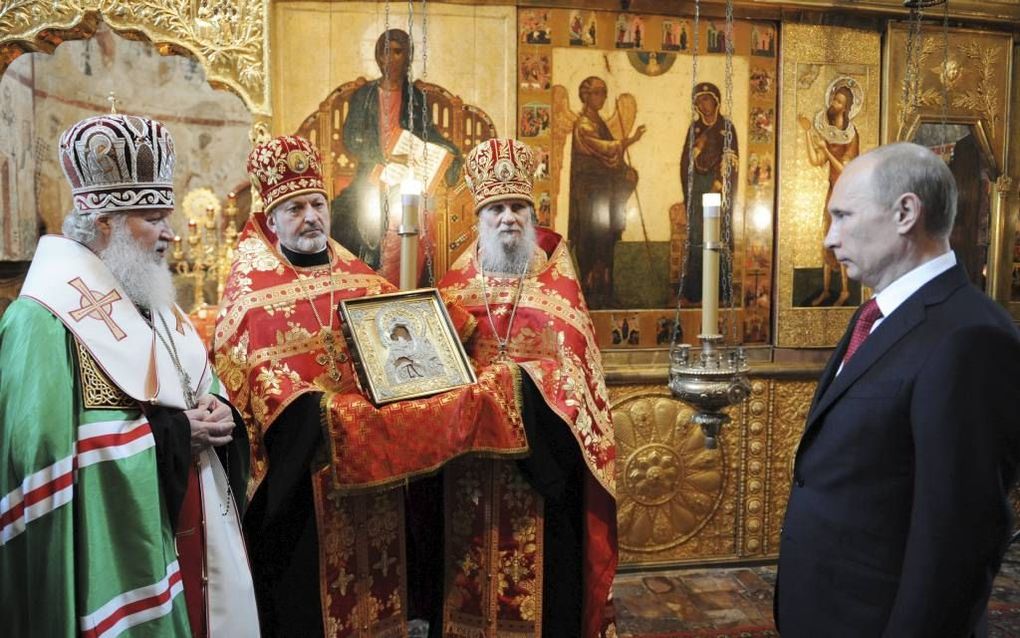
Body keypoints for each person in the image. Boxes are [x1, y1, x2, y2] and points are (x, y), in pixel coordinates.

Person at [215, 135, 527, 637]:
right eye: (294, 208)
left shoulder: (358, 279)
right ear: (270, 219)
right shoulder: (249, 296)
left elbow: (413, 335)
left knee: (379, 598)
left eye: (316, 204)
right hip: (303, 486)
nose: (310, 217)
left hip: (371, 485)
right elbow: (252, 390)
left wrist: (450, 329)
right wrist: (331, 416)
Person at [0, 114, 258, 637]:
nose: (171, 233)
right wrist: (178, 434)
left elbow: (192, 384)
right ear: (103, 225)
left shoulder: (150, 300)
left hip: (190, 526)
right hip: (114, 554)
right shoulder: (41, 319)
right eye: (153, 217)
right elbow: (37, 458)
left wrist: (218, 410)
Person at [775, 142, 1020, 637]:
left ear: (906, 212)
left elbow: (959, 540)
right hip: (830, 609)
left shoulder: (971, 336)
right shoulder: (879, 314)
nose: (829, 238)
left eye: (843, 216)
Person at [439, 138, 618, 637]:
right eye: (496, 208)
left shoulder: (559, 290)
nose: (508, 218)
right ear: (480, 218)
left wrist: (514, 388)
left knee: (548, 600)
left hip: (544, 478)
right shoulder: (452, 290)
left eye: (518, 207)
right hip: (471, 476)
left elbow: (579, 381)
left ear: (532, 214)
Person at [330, 28, 462, 281]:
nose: (390, 58)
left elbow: (427, 134)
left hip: (408, 176)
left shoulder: (416, 97)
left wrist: (447, 150)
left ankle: (414, 282)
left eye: (398, 52)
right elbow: (351, 138)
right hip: (372, 170)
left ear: (408, 56)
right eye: (385, 51)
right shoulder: (364, 96)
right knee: (350, 212)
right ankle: (365, 276)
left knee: (425, 214)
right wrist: (384, 157)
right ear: (378, 56)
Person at [568, 76, 645, 308]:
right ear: (585, 96)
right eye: (596, 93)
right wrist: (631, 140)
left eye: (603, 92)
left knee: (607, 237)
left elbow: (612, 159)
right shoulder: (584, 125)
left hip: (604, 192)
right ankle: (591, 292)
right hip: (590, 194)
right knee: (593, 237)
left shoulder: (598, 121)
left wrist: (625, 171)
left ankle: (607, 290)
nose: (601, 97)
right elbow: (605, 149)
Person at [798, 77, 861, 306]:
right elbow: (816, 160)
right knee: (827, 238)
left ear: (846, 107)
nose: (834, 104)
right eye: (834, 99)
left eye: (839, 101)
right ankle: (825, 289)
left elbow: (845, 169)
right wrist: (807, 133)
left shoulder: (852, 136)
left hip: (845, 195)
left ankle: (844, 291)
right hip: (831, 192)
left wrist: (827, 150)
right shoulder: (831, 134)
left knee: (841, 239)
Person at [679, 81, 739, 303]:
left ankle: (721, 289)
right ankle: (695, 289)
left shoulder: (726, 127)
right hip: (698, 191)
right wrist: (696, 150)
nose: (704, 105)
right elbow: (685, 162)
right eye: (699, 101)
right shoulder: (694, 130)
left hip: (717, 189)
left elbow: (732, 159)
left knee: (717, 235)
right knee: (698, 234)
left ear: (716, 101)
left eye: (707, 100)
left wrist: (720, 183)